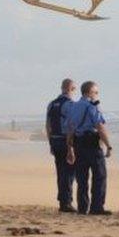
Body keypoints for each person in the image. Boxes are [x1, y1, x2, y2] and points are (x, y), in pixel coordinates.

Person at [64, 81, 112, 215]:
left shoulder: (73, 106)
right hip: (92, 143)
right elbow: (100, 127)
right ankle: (97, 207)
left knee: (82, 178)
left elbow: (70, 129)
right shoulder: (92, 106)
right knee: (99, 176)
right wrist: (109, 146)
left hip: (79, 144)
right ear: (89, 93)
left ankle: (82, 207)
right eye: (96, 92)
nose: (97, 95)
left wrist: (69, 148)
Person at [46, 78, 77, 213]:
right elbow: (71, 126)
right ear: (71, 89)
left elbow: (48, 126)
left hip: (55, 140)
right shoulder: (70, 104)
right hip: (66, 141)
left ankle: (62, 201)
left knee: (60, 172)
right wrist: (71, 147)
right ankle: (66, 202)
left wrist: (50, 143)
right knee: (69, 172)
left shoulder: (52, 104)